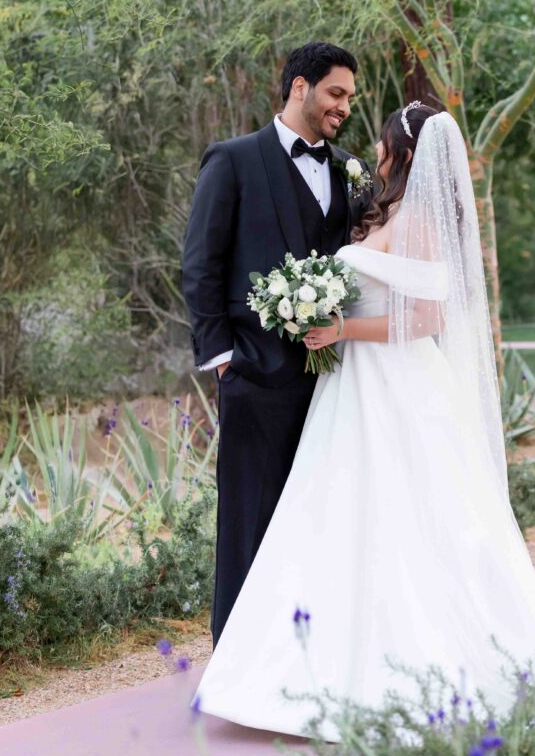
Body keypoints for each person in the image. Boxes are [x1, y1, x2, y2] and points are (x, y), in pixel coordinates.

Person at [190, 102, 535, 739]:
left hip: (395, 386)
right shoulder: (387, 211)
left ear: (405, 154)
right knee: (341, 512)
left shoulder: (421, 221)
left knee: (403, 518)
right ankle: (310, 657)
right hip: (353, 388)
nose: (374, 152)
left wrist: (341, 327)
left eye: (385, 143)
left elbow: (428, 318)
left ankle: (392, 657)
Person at [181, 42, 372, 646]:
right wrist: (223, 361)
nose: (344, 107)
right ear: (299, 87)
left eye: (350, 97)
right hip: (255, 376)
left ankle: (309, 651)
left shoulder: (351, 170)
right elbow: (201, 264)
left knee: (322, 521)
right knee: (250, 522)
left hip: (337, 381)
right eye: (336, 93)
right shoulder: (233, 160)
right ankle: (238, 657)